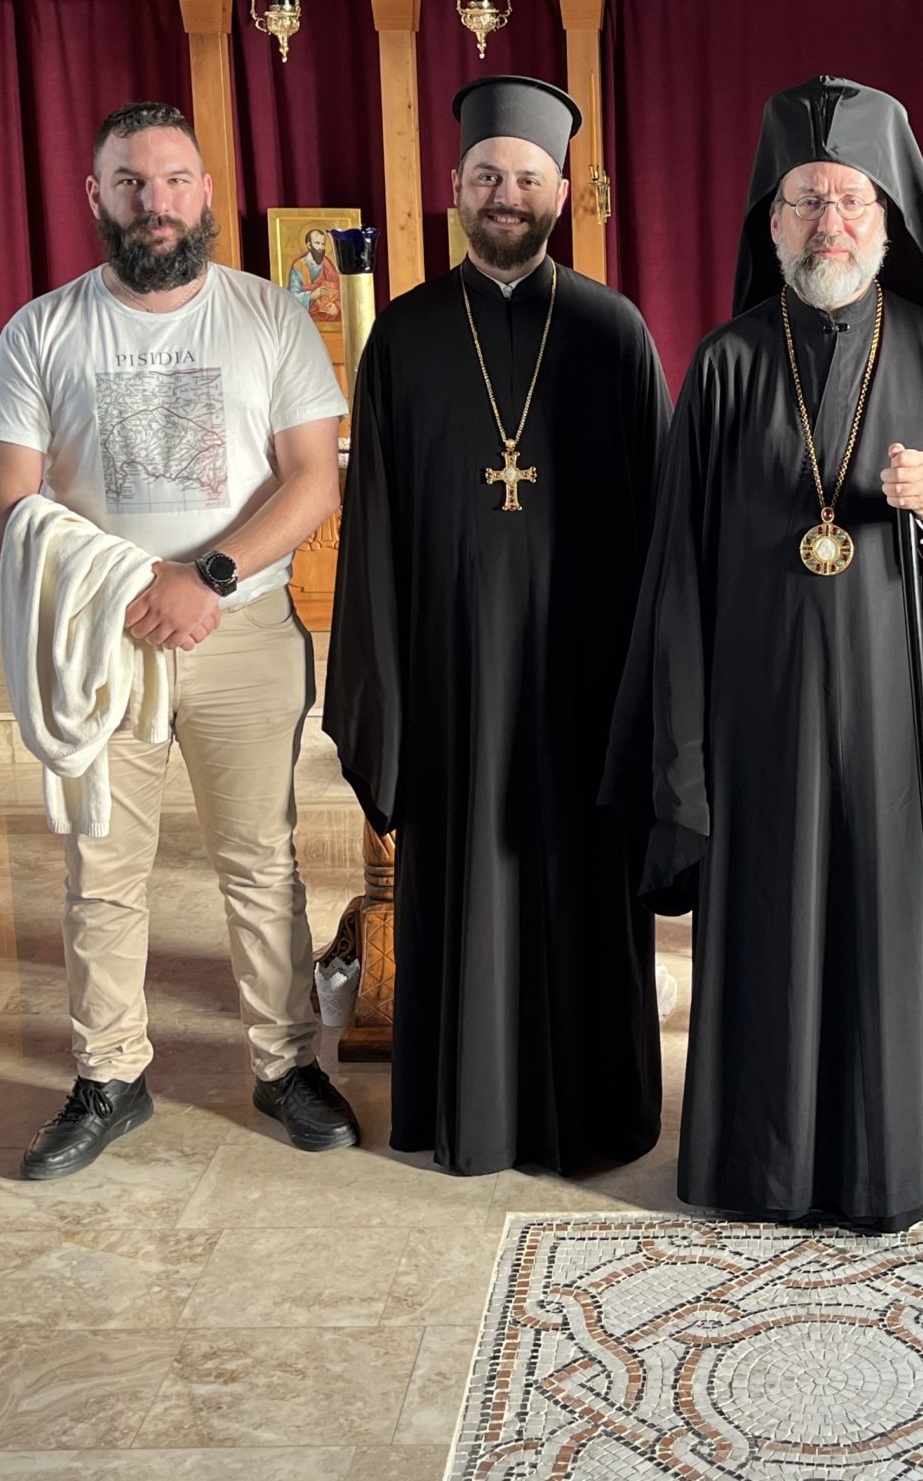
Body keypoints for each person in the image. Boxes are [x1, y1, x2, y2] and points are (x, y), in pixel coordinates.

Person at [605, 75, 923, 1232]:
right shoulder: (728, 363)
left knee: (888, 926)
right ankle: (760, 1165)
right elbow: (677, 574)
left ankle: (891, 1159)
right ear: (771, 220)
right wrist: (686, 750)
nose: (827, 223)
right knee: (771, 931)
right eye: (804, 201)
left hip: (895, 718)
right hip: (759, 724)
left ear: (887, 218)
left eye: (849, 200)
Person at [0, 100, 353, 1179]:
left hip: (244, 630)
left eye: (176, 179)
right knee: (101, 865)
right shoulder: (43, 330)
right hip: (105, 636)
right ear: (96, 197)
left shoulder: (269, 316)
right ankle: (109, 1076)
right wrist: (143, 584)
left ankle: (286, 1065)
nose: (157, 202)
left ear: (207, 193)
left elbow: (313, 479)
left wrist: (207, 578)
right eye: (132, 182)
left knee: (259, 859)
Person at [327, 76, 672, 1177]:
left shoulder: (614, 334)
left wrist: (661, 697)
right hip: (453, 684)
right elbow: (372, 533)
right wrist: (383, 698)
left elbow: (665, 533)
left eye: (526, 178)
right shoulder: (405, 338)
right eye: (486, 176)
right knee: (465, 880)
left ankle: (596, 1113)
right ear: (455, 187)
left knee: (583, 885)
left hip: (589, 687)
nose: (505, 195)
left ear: (561, 193)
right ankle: (469, 1112)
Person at [285, 226, 341, 323]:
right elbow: (291, 297)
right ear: (309, 245)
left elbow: (341, 290)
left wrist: (337, 306)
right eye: (317, 243)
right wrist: (313, 295)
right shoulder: (299, 267)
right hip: (305, 319)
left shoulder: (327, 264)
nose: (321, 247)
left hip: (329, 318)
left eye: (323, 244)